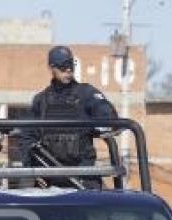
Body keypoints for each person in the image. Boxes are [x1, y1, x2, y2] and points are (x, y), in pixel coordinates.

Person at [18, 45, 117, 188]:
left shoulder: (86, 93)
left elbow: (107, 114)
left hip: (82, 176)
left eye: (71, 65)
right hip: (49, 178)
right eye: (63, 66)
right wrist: (34, 170)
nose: (69, 70)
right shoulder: (41, 100)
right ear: (52, 68)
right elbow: (27, 137)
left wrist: (104, 121)